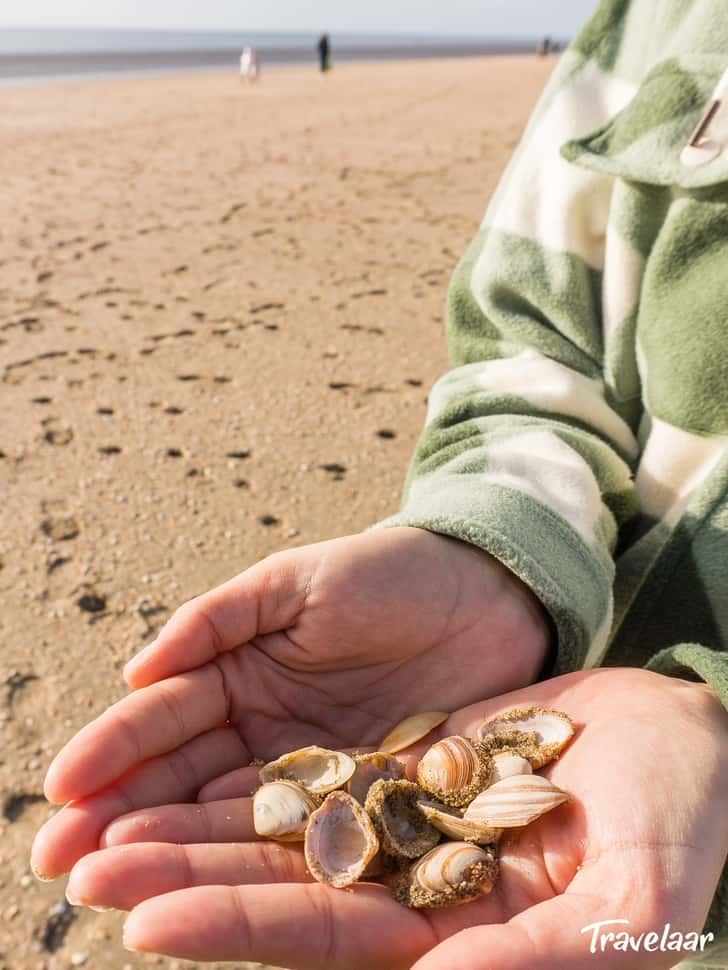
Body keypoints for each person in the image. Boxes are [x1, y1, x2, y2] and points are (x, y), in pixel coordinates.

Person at [30, 1, 728, 968]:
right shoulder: (660, 18)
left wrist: (716, 715)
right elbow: (538, 356)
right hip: (594, 851)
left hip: (639, 851)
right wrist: (498, 553)